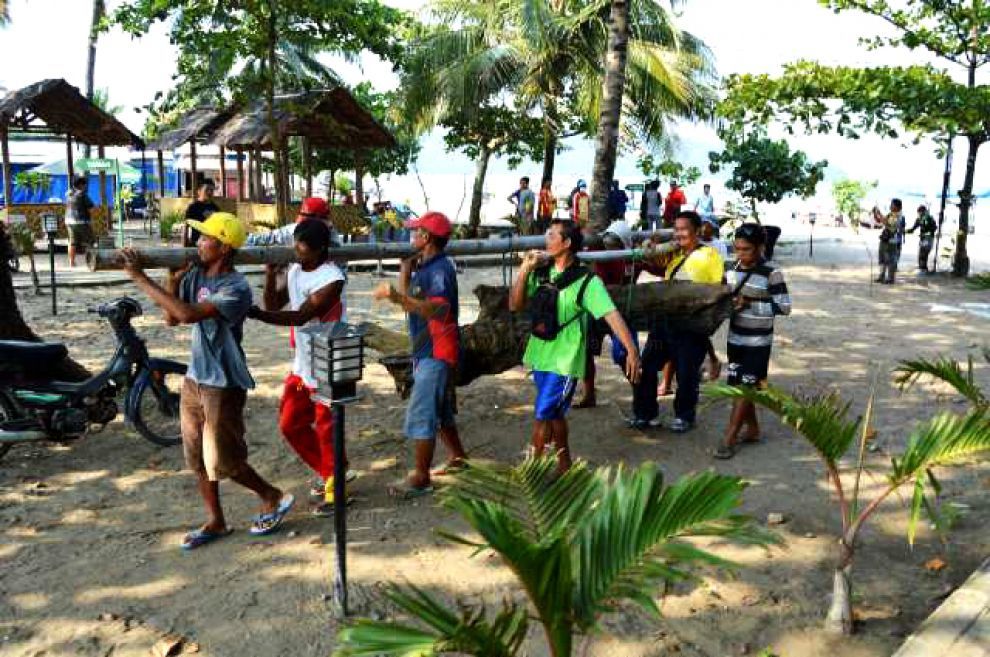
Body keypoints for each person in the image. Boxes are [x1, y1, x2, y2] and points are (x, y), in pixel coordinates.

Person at [120, 213, 292, 549]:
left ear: (225, 247)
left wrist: (138, 277)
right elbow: (172, 318)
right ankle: (216, 520)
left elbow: (188, 314)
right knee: (196, 458)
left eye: (205, 238)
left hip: (223, 382)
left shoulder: (236, 288)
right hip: (195, 377)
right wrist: (172, 280)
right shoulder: (197, 273)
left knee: (223, 460)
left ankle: (271, 495)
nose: (197, 243)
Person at [509, 219, 641, 472]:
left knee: (543, 413)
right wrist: (524, 270)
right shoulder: (542, 272)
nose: (546, 240)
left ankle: (532, 473)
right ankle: (564, 463)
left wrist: (632, 351)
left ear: (567, 243)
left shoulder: (588, 282)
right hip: (540, 354)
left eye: (551, 235)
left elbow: (611, 315)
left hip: (566, 361)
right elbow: (515, 305)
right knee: (554, 412)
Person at [249, 219, 348, 516]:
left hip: (328, 357)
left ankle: (336, 488)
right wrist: (269, 274)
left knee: (326, 428)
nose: (296, 251)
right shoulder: (294, 269)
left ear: (319, 250)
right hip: (304, 360)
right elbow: (275, 303)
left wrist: (257, 315)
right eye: (295, 245)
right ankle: (333, 472)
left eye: (301, 248)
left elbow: (301, 316)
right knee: (290, 424)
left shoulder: (332, 277)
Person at [373, 212, 468, 497]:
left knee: (422, 412)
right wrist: (404, 273)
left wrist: (396, 296)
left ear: (426, 238)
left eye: (416, 232)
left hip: (436, 352)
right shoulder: (424, 268)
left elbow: (439, 310)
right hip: (426, 349)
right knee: (439, 410)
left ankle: (421, 477)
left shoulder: (438, 271)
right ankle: (459, 457)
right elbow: (409, 306)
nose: (412, 237)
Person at [631, 210, 724, 432]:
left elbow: (717, 287)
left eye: (684, 229)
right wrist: (650, 246)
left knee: (687, 374)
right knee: (646, 367)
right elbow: (650, 262)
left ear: (698, 230)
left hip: (691, 325)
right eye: (676, 229)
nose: (679, 233)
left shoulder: (710, 256)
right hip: (664, 322)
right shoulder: (674, 256)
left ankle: (685, 416)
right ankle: (645, 414)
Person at [715, 223, 791, 459]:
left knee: (744, 386)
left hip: (758, 342)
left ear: (760, 247)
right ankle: (753, 429)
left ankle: (730, 435)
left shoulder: (772, 272)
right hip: (735, 339)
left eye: (746, 249)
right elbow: (722, 297)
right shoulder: (729, 269)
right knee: (739, 383)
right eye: (737, 248)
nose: (740, 254)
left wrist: (750, 303)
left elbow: (784, 307)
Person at [873, 198, 906, 284]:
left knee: (890, 260)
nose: (890, 206)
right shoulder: (891, 214)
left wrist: (879, 214)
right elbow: (882, 221)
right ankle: (882, 276)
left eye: (892, 204)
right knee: (882, 259)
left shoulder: (897, 216)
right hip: (886, 239)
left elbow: (889, 225)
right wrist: (877, 214)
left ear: (897, 207)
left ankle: (890, 278)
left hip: (891, 240)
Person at [65, 176, 94, 268]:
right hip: (81, 221)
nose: (85, 186)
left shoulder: (68, 194)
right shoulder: (82, 194)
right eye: (84, 184)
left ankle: (72, 262)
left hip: (69, 221)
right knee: (90, 241)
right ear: (81, 185)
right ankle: (90, 261)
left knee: (72, 242)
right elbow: (91, 207)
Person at [183, 181, 219, 247]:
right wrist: (185, 246)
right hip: (195, 243)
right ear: (199, 191)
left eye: (212, 190)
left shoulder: (215, 208)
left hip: (210, 245)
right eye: (207, 189)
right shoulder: (193, 207)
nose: (210, 192)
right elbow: (186, 227)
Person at [907, 204, 937, 272]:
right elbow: (913, 228)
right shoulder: (919, 219)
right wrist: (906, 231)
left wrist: (926, 232)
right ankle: (922, 268)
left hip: (928, 238)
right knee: (921, 253)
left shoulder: (929, 218)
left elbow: (934, 228)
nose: (919, 213)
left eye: (920, 212)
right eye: (919, 212)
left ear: (924, 211)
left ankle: (923, 268)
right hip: (923, 238)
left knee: (924, 253)